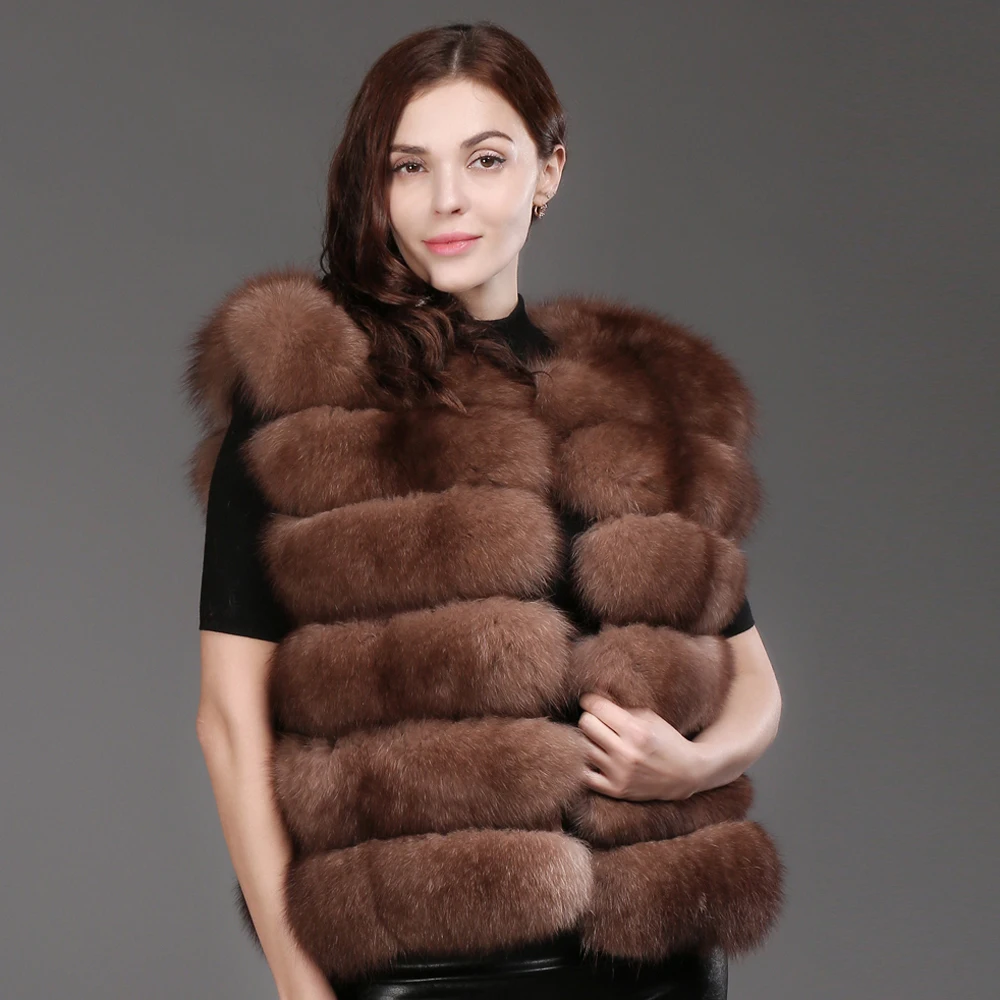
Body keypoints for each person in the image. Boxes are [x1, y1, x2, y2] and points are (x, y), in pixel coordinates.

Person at [184, 20, 784, 1000]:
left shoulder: (645, 397)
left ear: (549, 171)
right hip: (430, 966)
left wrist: (690, 765)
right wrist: (297, 984)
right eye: (408, 166)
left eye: (486, 159)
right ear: (375, 187)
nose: (446, 200)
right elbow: (227, 721)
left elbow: (753, 680)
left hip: (658, 957)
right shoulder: (307, 391)